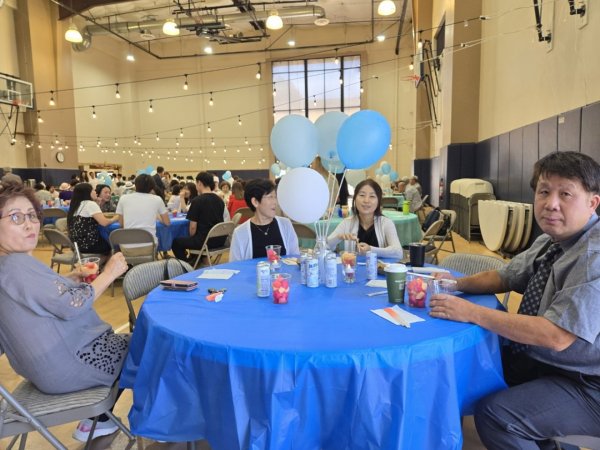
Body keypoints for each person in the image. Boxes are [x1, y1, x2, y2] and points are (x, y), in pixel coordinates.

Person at [429, 151, 600, 450]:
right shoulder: (550, 241)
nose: (551, 204)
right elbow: (504, 276)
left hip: (586, 383)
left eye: (565, 194)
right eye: (544, 192)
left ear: (592, 202)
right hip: (545, 361)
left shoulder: (592, 256)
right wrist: (453, 284)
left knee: (496, 416)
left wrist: (472, 312)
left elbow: (556, 336)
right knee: (468, 366)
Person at [0, 181, 130, 441]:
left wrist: (70, 278)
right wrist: (109, 274)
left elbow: (35, 297)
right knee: (146, 346)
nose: (29, 224)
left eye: (32, 216)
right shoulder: (15, 265)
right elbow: (71, 306)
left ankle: (100, 420)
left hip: (41, 371)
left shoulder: (7, 266)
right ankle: (150, 423)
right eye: (16, 217)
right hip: (69, 365)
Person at [327, 178, 403, 258]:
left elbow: (398, 252)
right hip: (353, 266)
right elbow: (323, 246)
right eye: (362, 195)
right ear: (355, 199)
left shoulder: (386, 223)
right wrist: (338, 238)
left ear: (378, 201)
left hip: (379, 266)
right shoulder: (347, 223)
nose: (366, 200)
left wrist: (371, 249)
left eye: (372, 196)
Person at [229, 178, 299, 262]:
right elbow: (235, 266)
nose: (275, 202)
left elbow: (295, 259)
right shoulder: (240, 233)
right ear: (255, 202)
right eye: (270, 197)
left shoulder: (285, 225)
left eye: (275, 197)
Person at [171, 172, 225, 262]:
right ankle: (195, 261)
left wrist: (191, 238)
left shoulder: (197, 201)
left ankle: (186, 265)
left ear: (199, 183)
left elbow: (192, 228)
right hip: (220, 240)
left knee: (176, 242)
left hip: (205, 241)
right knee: (193, 239)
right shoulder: (219, 200)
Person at [115, 174, 170, 256]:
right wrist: (157, 216)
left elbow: (121, 223)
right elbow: (167, 223)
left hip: (127, 248)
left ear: (135, 185)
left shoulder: (123, 198)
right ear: (152, 187)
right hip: (149, 247)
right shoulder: (157, 199)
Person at [67, 183, 118, 257]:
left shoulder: (76, 205)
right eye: (93, 190)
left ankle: (100, 263)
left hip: (76, 245)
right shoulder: (89, 204)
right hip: (90, 244)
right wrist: (116, 218)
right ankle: (105, 263)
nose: (95, 192)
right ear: (87, 193)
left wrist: (97, 203)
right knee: (114, 245)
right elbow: (104, 223)